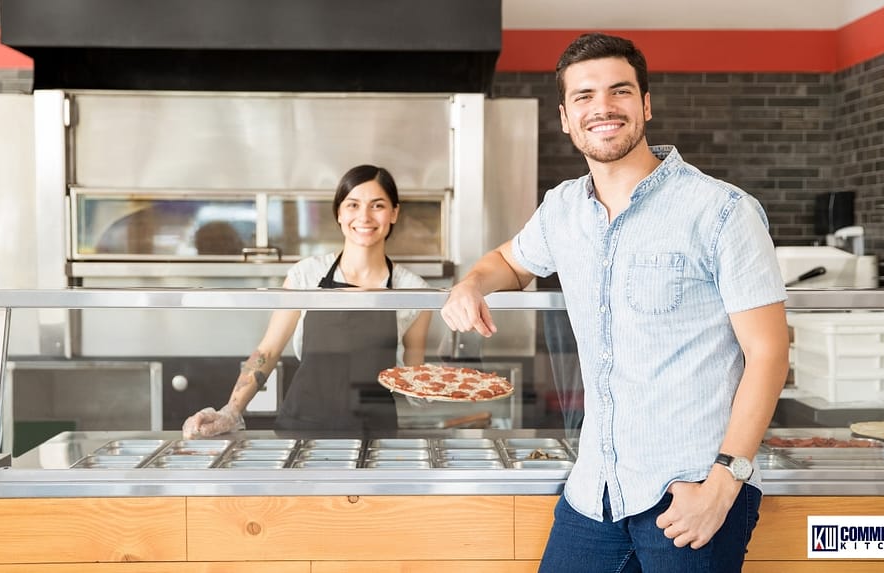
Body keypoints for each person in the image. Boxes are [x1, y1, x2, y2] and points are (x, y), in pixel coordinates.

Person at [440, 33, 789, 572]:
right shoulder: (562, 209)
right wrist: (470, 284)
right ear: (564, 116)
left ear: (645, 104)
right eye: (583, 96)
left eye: (618, 91)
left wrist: (723, 484)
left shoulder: (721, 211)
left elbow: (768, 354)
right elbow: (508, 263)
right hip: (594, 492)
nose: (602, 107)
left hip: (691, 489)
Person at [183, 164, 432, 436]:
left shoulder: (413, 291)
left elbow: (412, 375)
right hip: (302, 428)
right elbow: (267, 351)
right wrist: (231, 410)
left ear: (394, 213)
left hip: (374, 436)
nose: (364, 216)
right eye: (353, 205)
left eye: (377, 205)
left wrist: (435, 388)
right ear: (339, 212)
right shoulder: (306, 275)